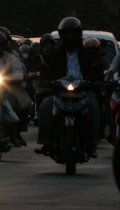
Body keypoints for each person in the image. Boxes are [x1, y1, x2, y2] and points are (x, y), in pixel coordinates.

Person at [35, 18, 104, 157]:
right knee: (45, 107)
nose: (70, 36)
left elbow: (97, 68)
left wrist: (96, 80)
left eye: (72, 33)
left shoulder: (88, 53)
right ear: (61, 35)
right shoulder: (55, 54)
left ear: (78, 34)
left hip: (84, 90)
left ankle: (91, 144)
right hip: (59, 90)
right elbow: (47, 70)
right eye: (67, 33)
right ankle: (47, 142)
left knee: (94, 107)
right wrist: (45, 80)